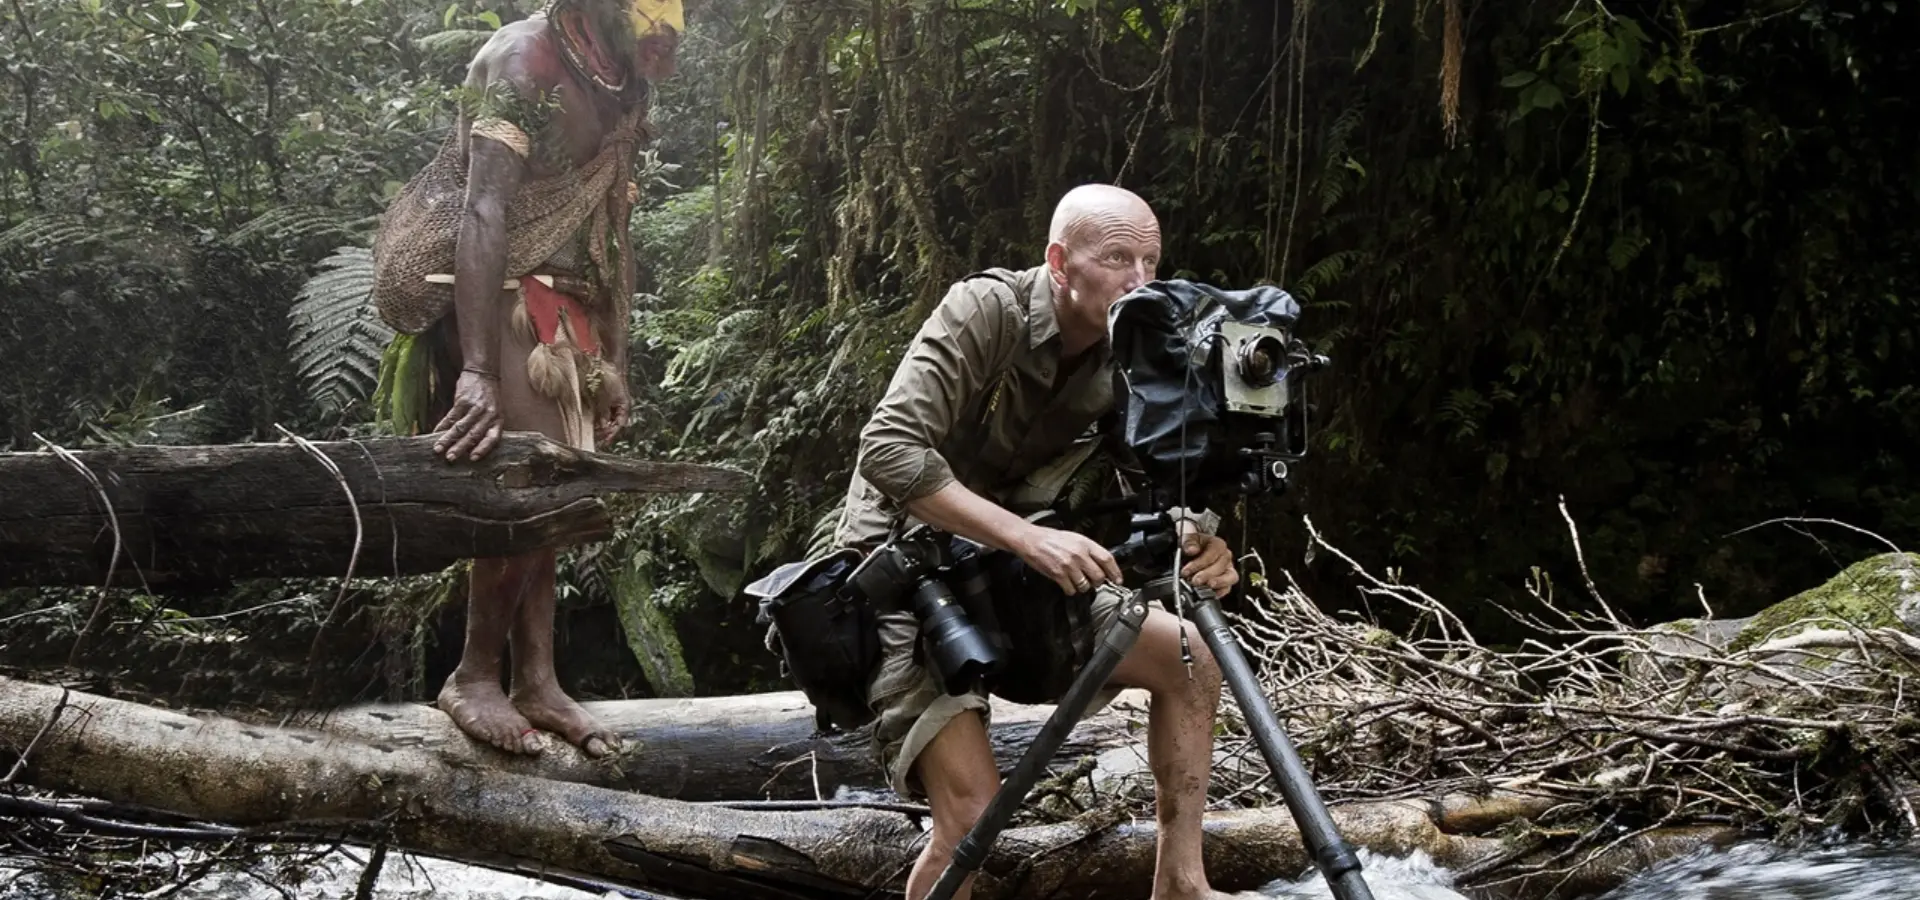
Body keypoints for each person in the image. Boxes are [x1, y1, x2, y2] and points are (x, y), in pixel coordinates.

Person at [835, 184, 1242, 900]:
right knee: (970, 818)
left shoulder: (1133, 347)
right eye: (1117, 257)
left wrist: (1199, 537)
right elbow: (889, 448)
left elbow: (1162, 474)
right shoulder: (986, 311)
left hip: (1008, 572)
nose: (1139, 280)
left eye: (1151, 260)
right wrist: (1028, 538)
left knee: (1192, 655)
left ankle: (1181, 882)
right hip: (898, 574)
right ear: (1060, 262)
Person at [391, 0, 684, 758]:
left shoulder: (623, 80)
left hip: (571, 320)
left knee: (553, 508)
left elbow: (613, 227)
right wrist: (479, 370)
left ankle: (538, 680)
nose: (664, 25)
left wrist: (615, 360)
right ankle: (473, 676)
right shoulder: (526, 61)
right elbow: (483, 211)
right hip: (502, 308)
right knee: (522, 496)